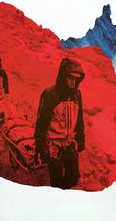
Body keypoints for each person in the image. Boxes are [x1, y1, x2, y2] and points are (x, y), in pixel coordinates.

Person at [34, 58, 86, 189]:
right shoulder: (50, 95)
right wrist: (40, 146)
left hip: (69, 142)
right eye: (70, 78)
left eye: (76, 79)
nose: (73, 82)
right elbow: (41, 123)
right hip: (53, 145)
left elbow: (79, 119)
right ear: (63, 76)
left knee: (74, 177)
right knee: (56, 181)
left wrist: (80, 138)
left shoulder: (77, 95)